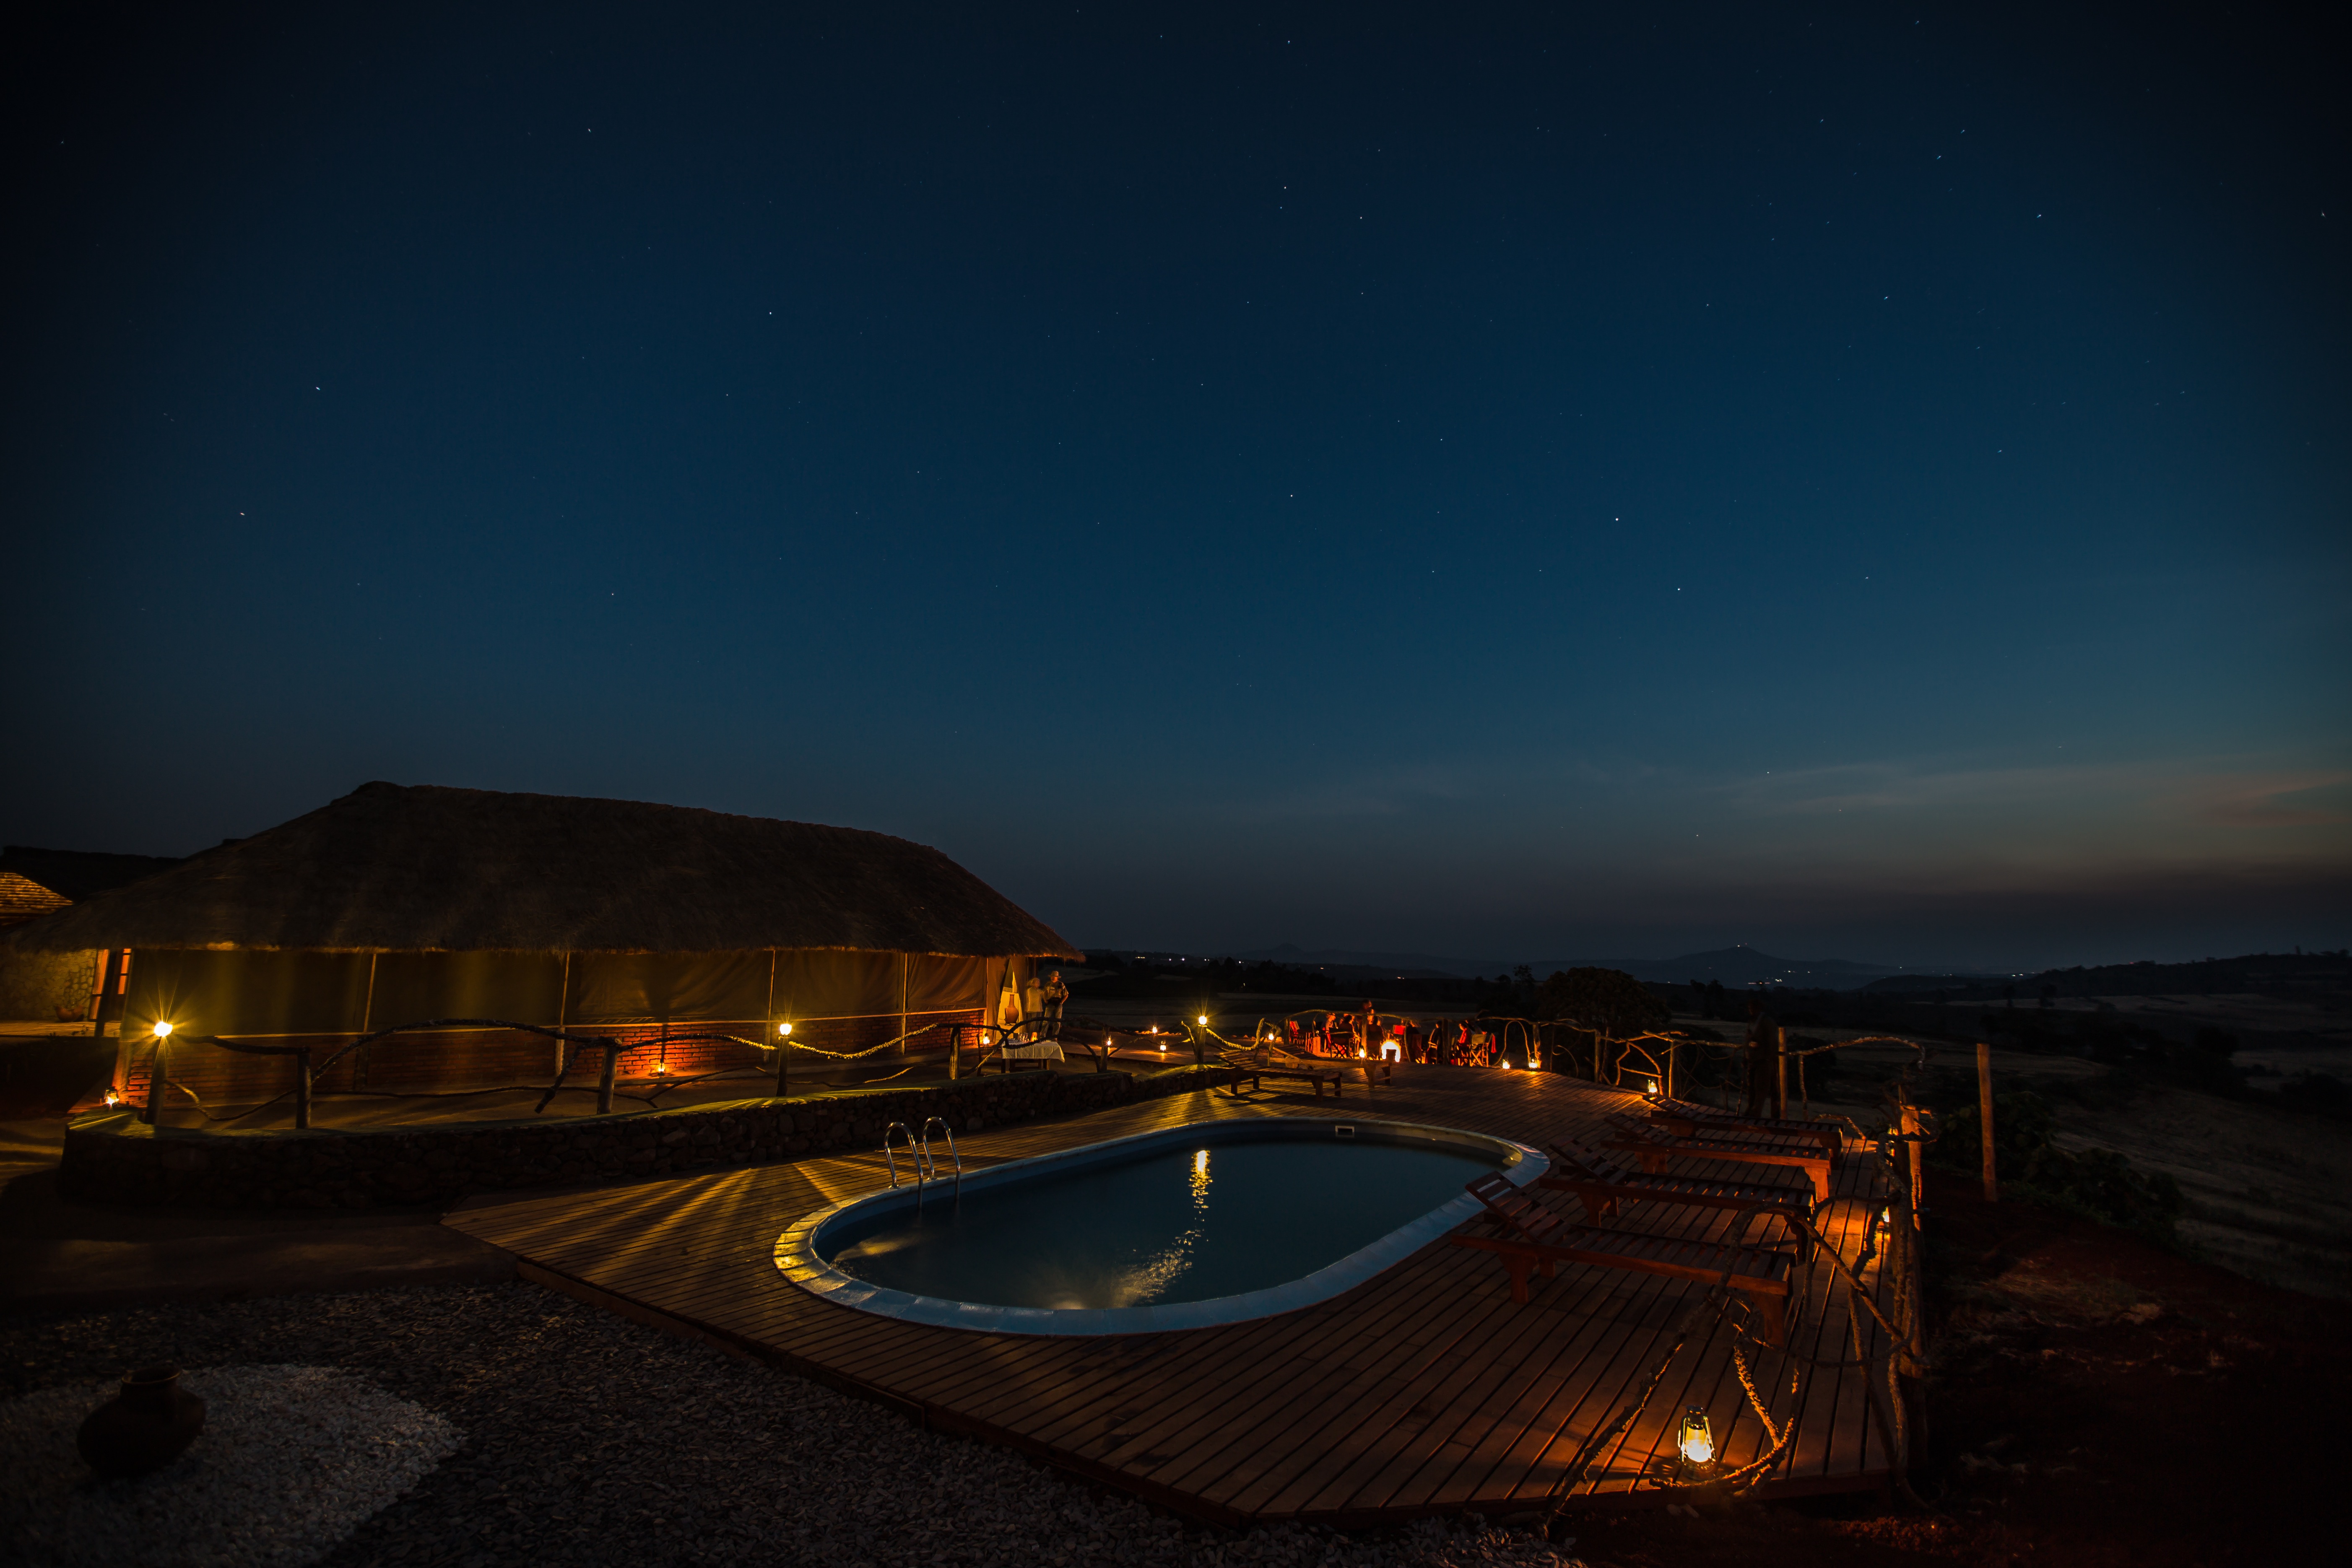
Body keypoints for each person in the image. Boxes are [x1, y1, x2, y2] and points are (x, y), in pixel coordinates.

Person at [1743, 994, 1779, 1119]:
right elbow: (1747, 1040)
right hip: (1752, 1059)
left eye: (1753, 1008)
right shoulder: (1752, 1022)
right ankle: (1750, 1108)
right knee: (1751, 1087)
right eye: (1750, 1008)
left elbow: (1772, 1041)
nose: (1751, 1010)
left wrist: (1768, 1057)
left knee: (1761, 1088)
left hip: (1763, 1060)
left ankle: (1756, 1112)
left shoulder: (1767, 1022)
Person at [1041, 970, 1070, 1041]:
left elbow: (1066, 994)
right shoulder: (1048, 984)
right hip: (1050, 1003)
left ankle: (1055, 1037)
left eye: (1054, 977)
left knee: (1057, 1021)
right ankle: (1042, 1036)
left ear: (1057, 978)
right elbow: (1044, 992)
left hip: (1058, 1004)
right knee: (1046, 1020)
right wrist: (1045, 1000)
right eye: (1052, 977)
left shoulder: (1061, 984)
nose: (1053, 978)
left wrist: (1062, 1002)